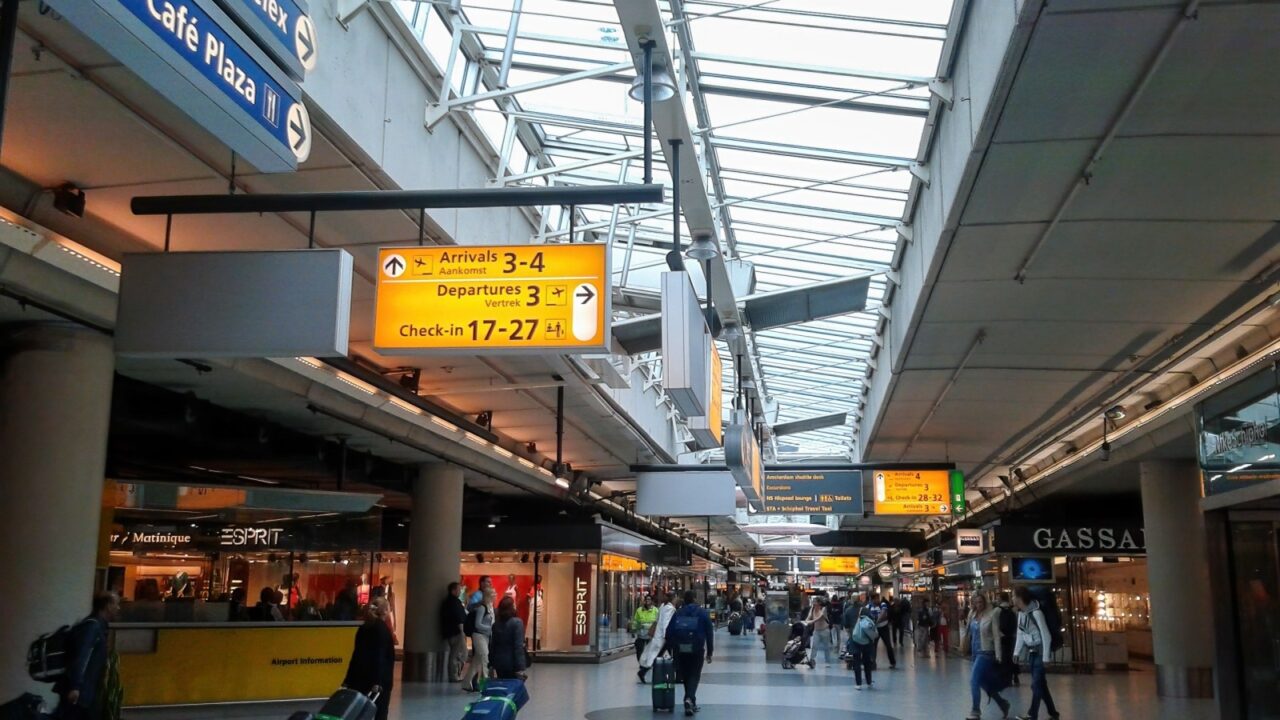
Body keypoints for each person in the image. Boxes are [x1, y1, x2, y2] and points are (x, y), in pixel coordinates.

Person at [55, 592, 119, 720]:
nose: (118, 608)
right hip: (80, 694)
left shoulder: (98, 626)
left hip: (86, 692)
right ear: (107, 606)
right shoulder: (92, 627)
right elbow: (81, 657)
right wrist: (75, 687)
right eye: (116, 604)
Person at [343, 598, 395, 720]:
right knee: (380, 711)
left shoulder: (364, 628)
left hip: (359, 677)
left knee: (358, 711)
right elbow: (380, 656)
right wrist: (378, 681)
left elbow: (356, 654)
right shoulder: (382, 629)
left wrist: (348, 677)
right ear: (385, 611)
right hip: (378, 679)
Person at [1013, 586, 1059, 720]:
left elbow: (1046, 635)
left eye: (1014, 595)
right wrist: (1016, 652)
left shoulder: (1037, 613)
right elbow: (1020, 634)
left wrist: (1046, 657)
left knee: (1036, 685)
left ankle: (1031, 714)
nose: (1012, 598)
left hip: (1039, 653)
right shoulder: (1021, 614)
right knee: (1041, 685)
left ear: (1020, 598)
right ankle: (1053, 713)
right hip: (1032, 653)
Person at [964, 593, 1011, 719]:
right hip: (975, 652)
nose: (978, 605)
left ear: (984, 602)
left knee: (974, 681)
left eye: (980, 602)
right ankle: (1003, 704)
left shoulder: (991, 615)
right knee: (984, 683)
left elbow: (996, 636)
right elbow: (969, 632)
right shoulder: (972, 615)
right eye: (976, 602)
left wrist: (999, 654)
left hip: (986, 652)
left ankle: (975, 711)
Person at [668, 590, 713, 717]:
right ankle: (689, 698)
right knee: (695, 674)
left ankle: (690, 700)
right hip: (697, 648)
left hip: (681, 648)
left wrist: (673, 649)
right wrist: (710, 652)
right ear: (694, 599)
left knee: (686, 675)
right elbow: (709, 634)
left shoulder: (678, 613)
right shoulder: (703, 613)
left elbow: (669, 632)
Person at [461, 587, 496, 692]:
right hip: (479, 636)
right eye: (493, 593)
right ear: (489, 595)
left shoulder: (491, 607)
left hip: (486, 636)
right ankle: (486, 683)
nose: (495, 595)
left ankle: (466, 683)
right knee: (485, 658)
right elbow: (477, 624)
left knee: (476, 661)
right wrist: (490, 628)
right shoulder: (482, 608)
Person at [638, 590, 677, 682]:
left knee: (656, 654)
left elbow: (657, 619)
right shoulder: (670, 608)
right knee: (662, 654)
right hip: (664, 637)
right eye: (675, 597)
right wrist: (665, 635)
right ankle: (671, 675)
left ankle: (643, 671)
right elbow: (665, 622)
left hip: (658, 635)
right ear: (673, 598)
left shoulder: (662, 606)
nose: (676, 599)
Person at [489, 596, 528, 680]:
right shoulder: (517, 623)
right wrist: (520, 667)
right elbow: (518, 646)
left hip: (498, 661)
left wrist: (491, 664)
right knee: (513, 688)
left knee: (503, 686)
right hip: (512, 662)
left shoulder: (496, 625)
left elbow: (493, 645)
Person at [440, 581, 468, 682]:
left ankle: (455, 674)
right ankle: (454, 675)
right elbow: (459, 618)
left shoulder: (446, 602)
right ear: (453, 590)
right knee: (457, 654)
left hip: (449, 633)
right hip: (456, 632)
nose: (460, 591)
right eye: (458, 589)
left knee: (455, 654)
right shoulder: (455, 603)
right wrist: (462, 631)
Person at [848, 603, 877, 690]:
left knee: (856, 662)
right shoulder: (869, 620)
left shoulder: (855, 616)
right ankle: (869, 682)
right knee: (867, 662)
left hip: (856, 641)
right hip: (867, 643)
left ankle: (858, 683)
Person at [631, 594, 659, 679]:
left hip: (650, 635)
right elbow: (635, 621)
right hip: (641, 634)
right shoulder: (639, 610)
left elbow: (657, 622)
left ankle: (648, 663)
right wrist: (633, 629)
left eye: (649, 599)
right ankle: (641, 664)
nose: (647, 601)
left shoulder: (655, 610)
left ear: (652, 601)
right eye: (646, 599)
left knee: (650, 650)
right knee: (639, 650)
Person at [872, 593, 897, 669]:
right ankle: (873, 662)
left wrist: (877, 621)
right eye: (875, 599)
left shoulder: (883, 604)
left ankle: (892, 662)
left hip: (884, 628)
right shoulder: (870, 606)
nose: (877, 600)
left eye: (877, 598)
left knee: (888, 645)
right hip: (875, 629)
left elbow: (883, 613)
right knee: (873, 646)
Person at [807, 597, 834, 664]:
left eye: (815, 602)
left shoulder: (823, 609)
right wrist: (806, 621)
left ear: (819, 603)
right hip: (816, 631)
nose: (814, 604)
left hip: (825, 630)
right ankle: (812, 660)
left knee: (826, 647)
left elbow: (819, 618)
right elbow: (808, 617)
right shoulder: (812, 609)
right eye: (813, 602)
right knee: (814, 646)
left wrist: (811, 621)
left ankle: (827, 661)